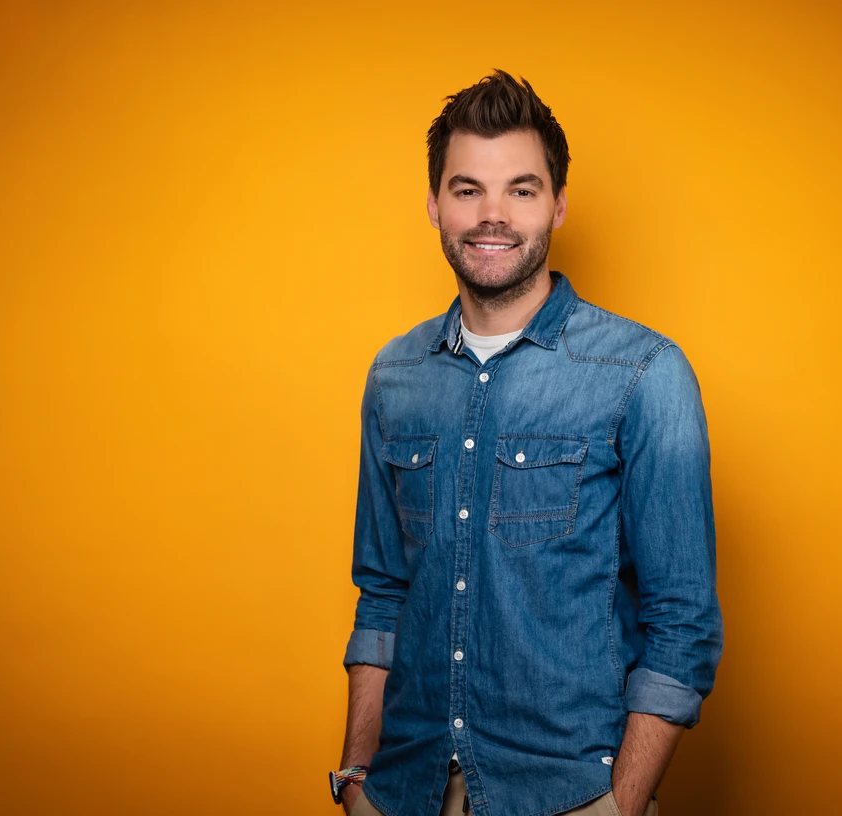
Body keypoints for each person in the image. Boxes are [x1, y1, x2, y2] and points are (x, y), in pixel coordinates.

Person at [331, 70, 722, 816]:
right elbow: (382, 594)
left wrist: (622, 805)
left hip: (570, 794)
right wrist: (355, 776)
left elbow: (683, 622)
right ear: (434, 203)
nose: (492, 215)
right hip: (407, 790)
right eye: (467, 188)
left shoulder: (644, 373)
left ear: (558, 204)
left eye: (522, 188)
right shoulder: (396, 376)